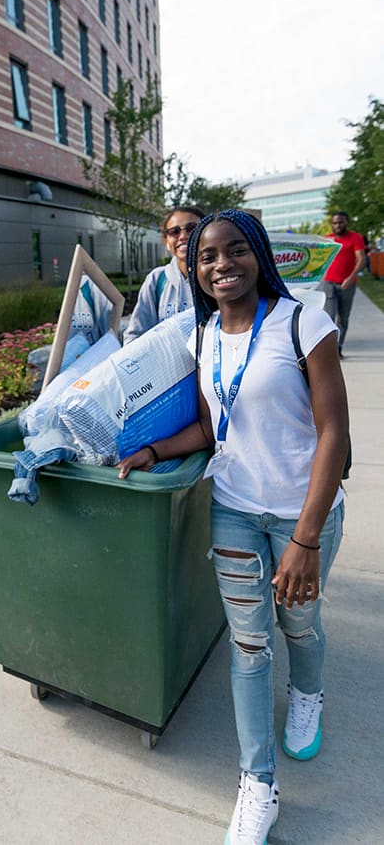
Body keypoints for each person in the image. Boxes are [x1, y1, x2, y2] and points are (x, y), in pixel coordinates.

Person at [117, 210, 349, 845]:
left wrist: (303, 540)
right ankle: (257, 784)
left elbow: (336, 435)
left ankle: (308, 695)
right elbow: (209, 427)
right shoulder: (202, 336)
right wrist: (157, 451)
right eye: (207, 256)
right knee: (249, 644)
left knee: (298, 620)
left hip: (307, 514)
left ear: (258, 255)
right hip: (235, 510)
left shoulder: (304, 321)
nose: (222, 264)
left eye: (235, 250)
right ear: (192, 268)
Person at [123, 206, 206, 343]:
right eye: (174, 232)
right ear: (166, 241)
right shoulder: (156, 280)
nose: (183, 236)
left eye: (192, 228)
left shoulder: (216, 278)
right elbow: (135, 336)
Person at [322, 210, 365, 356]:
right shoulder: (327, 239)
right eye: (335, 223)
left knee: (343, 318)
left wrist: (351, 277)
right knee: (328, 317)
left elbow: (361, 259)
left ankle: (338, 348)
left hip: (347, 284)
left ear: (346, 222)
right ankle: (329, 350)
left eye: (340, 222)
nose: (337, 225)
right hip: (328, 283)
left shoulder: (355, 238)